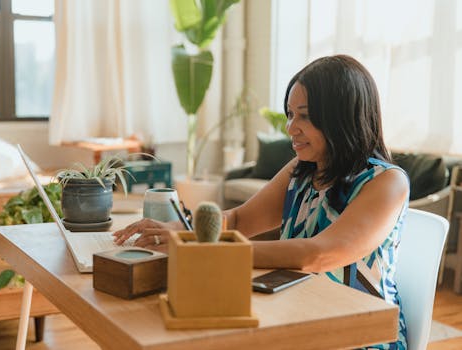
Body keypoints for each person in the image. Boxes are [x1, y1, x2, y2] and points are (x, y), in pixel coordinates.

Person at [114, 55, 409, 349]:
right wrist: (182, 229)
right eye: (290, 114)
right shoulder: (303, 169)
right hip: (297, 317)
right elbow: (241, 220)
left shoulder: (386, 182)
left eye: (304, 116)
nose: (291, 128)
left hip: (362, 334)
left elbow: (318, 255)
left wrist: (210, 249)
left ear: (340, 116)